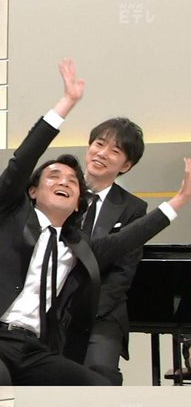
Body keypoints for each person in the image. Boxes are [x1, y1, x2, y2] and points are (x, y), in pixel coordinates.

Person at [0, 59, 191, 385]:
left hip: (34, 347)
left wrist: (179, 201)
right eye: (53, 176)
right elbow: (22, 159)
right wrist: (66, 102)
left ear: (79, 201)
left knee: (98, 387)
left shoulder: (76, 245)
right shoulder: (7, 215)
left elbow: (127, 239)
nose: (64, 181)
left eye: (71, 181)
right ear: (33, 190)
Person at [78, 117, 147, 383]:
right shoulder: (58, 190)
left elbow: (122, 273)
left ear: (126, 165)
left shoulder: (133, 208)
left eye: (115, 151)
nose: (102, 153)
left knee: (100, 372)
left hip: (101, 312)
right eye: (99, 144)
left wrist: (86, 311)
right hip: (49, 307)